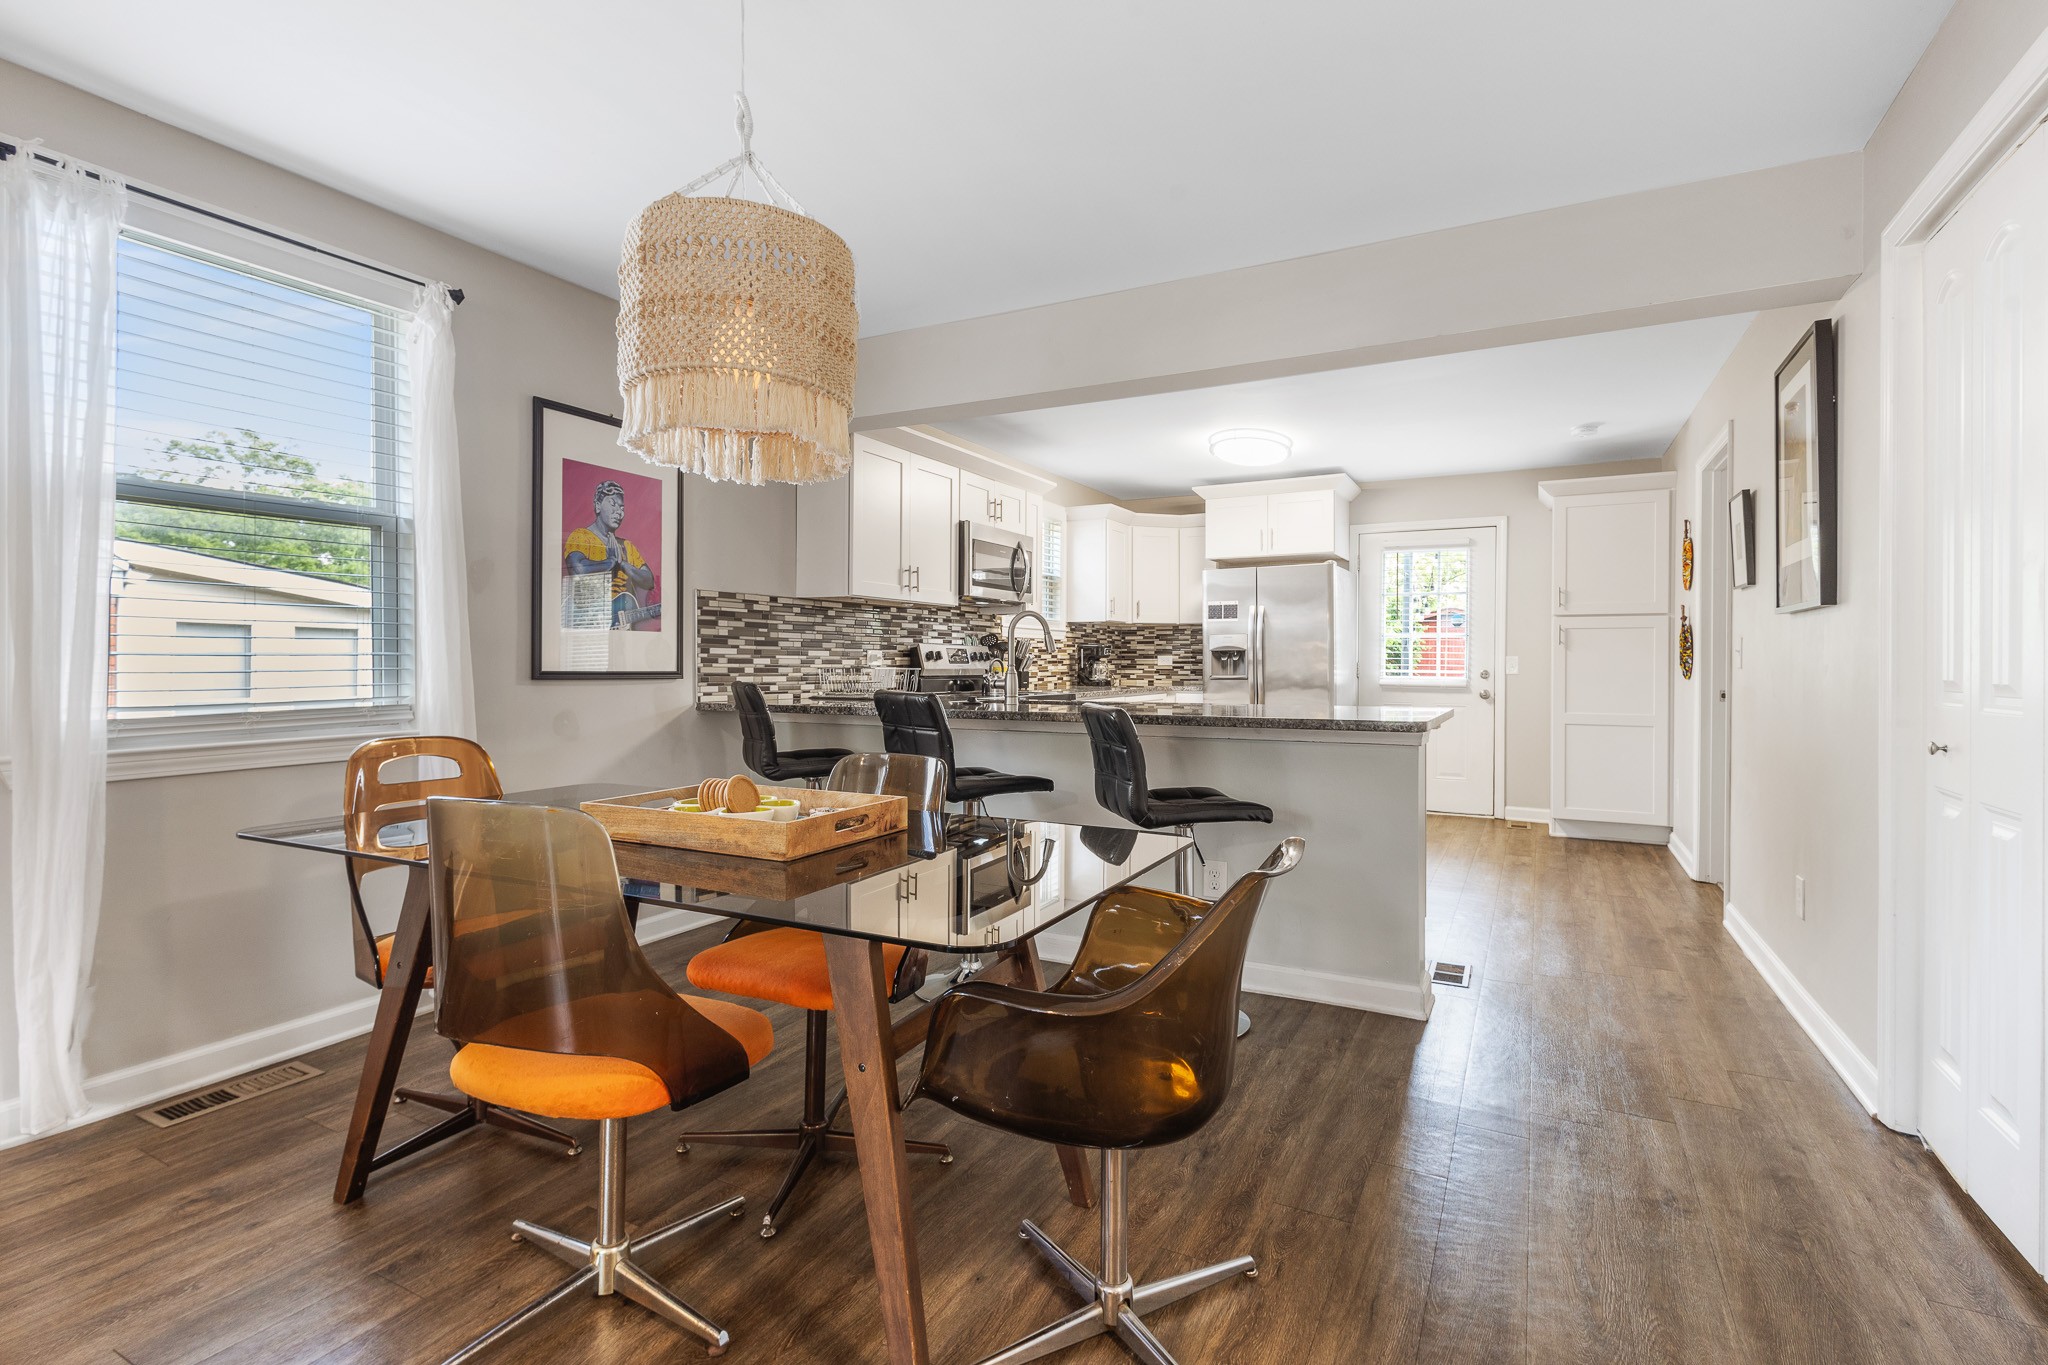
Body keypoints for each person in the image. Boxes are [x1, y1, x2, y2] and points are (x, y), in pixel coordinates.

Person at [563, 480, 656, 627]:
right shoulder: (581, 536)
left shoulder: (627, 546)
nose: (619, 511)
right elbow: (578, 569)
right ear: (598, 506)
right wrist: (611, 562)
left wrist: (624, 565)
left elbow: (649, 580)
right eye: (613, 504)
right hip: (589, 619)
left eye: (622, 507)